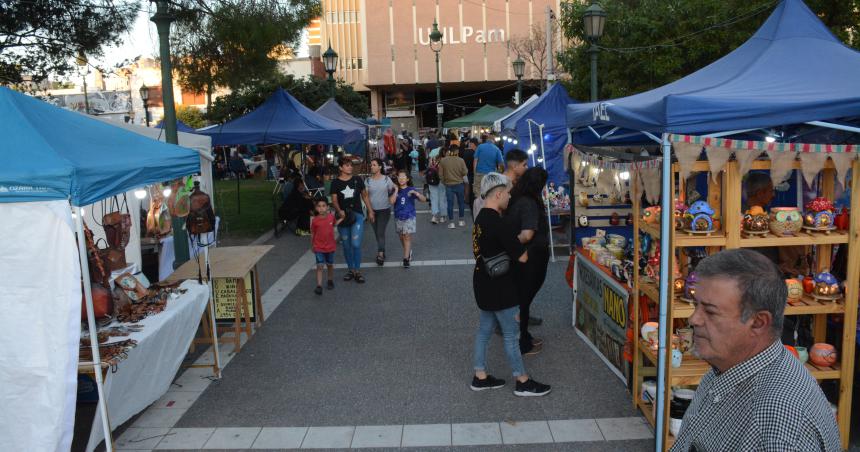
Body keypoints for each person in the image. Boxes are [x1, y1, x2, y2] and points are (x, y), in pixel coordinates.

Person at [670, 249, 840, 451]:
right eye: (697, 305)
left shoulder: (781, 421)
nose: (694, 319)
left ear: (759, 323)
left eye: (710, 311)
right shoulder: (725, 367)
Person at [471, 172, 551, 397]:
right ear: (497, 194)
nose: (509, 197)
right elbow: (522, 257)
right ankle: (522, 381)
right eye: (507, 193)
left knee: (484, 331)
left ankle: (480, 376)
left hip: (482, 282)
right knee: (511, 335)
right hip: (502, 288)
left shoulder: (480, 219)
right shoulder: (499, 223)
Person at [506, 167, 550, 355]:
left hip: (525, 257)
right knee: (523, 300)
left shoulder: (517, 197)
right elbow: (527, 234)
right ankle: (522, 341)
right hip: (532, 257)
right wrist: (511, 245)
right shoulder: (529, 203)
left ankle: (522, 336)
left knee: (522, 299)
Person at [330, 157, 374, 283]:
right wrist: (339, 211)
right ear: (340, 168)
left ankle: (357, 270)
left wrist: (370, 211)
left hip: (357, 215)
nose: (350, 167)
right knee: (346, 246)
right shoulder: (335, 183)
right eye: (347, 165)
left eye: (351, 165)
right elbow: (334, 200)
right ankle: (351, 270)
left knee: (355, 244)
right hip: (343, 218)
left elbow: (365, 196)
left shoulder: (357, 179)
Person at [473, 149, 529, 220]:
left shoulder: (505, 182)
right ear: (514, 166)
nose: (527, 168)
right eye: (524, 165)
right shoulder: (500, 184)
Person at [366, 158, 397, 266]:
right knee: (377, 233)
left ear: (380, 167)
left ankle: (380, 253)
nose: (372, 167)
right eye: (371, 165)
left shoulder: (386, 179)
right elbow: (365, 197)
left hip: (384, 210)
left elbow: (394, 188)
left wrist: (394, 194)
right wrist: (370, 211)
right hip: (371, 210)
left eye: (374, 165)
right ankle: (382, 249)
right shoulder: (368, 180)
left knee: (380, 232)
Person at [393, 170, 427, 268]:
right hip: (398, 216)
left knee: (407, 236)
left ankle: (406, 258)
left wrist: (416, 193)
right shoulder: (395, 189)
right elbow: (391, 201)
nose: (401, 179)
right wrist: (395, 190)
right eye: (399, 177)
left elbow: (424, 199)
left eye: (404, 177)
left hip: (409, 216)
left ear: (407, 179)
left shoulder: (411, 189)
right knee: (401, 237)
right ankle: (408, 252)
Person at [310, 198, 342, 295]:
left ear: (327, 207)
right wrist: (312, 245)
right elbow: (312, 233)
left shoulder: (331, 217)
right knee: (319, 266)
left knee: (329, 265)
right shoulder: (315, 221)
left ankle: (330, 280)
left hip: (330, 247)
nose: (321, 208)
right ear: (316, 208)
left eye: (323, 206)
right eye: (319, 206)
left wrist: (342, 218)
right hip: (318, 247)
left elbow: (335, 224)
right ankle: (319, 286)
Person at [439, 145, 469, 229]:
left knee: (450, 204)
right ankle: (461, 221)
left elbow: (440, 174)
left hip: (448, 185)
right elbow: (465, 172)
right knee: (461, 203)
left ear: (449, 151)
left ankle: (451, 222)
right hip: (459, 184)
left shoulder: (443, 160)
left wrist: (444, 182)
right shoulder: (461, 160)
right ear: (457, 151)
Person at [426, 146, 447, 224]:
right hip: (442, 181)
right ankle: (442, 216)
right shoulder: (444, 160)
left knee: (434, 198)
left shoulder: (432, 158)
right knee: (442, 198)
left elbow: (429, 167)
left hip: (432, 180)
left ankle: (434, 216)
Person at [462, 137, 478, 205]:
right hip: (472, 171)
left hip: (465, 171)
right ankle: (469, 199)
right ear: (474, 144)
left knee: (466, 186)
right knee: (470, 186)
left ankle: (466, 199)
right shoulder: (475, 152)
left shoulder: (465, 151)